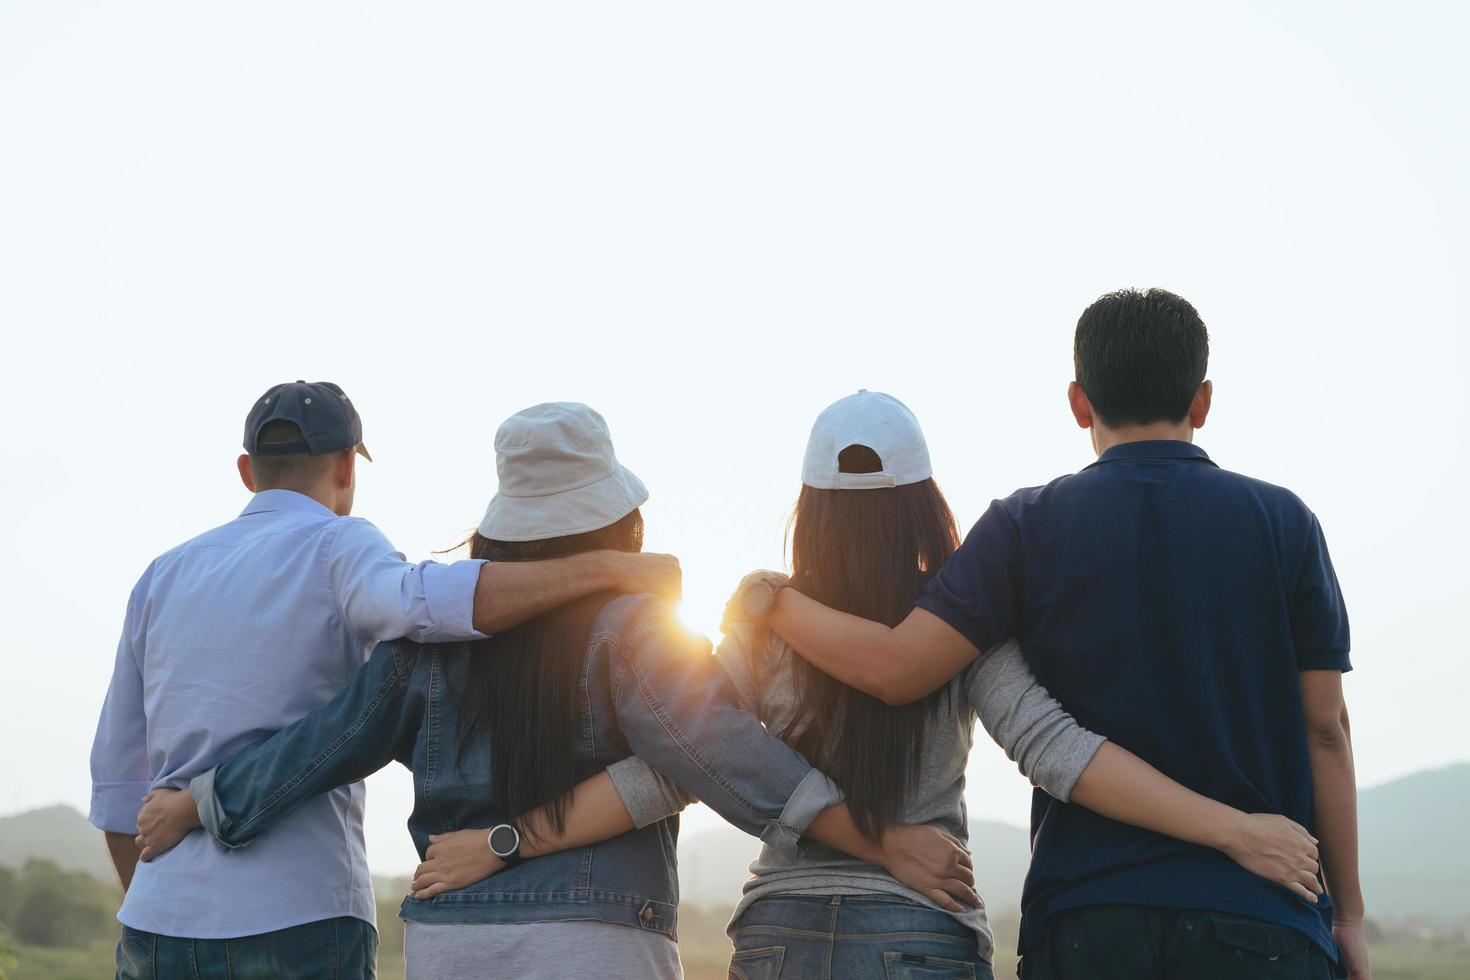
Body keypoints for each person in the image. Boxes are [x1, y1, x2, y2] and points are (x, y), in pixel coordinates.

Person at [365, 394, 1322, 979]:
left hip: (776, 935)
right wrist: (1235, 827)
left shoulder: (759, 625)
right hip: (921, 935)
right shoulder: (963, 632)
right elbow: (1058, 753)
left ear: (808, 509)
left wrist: (511, 841)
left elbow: (671, 770)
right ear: (925, 501)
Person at [132, 402, 984, 980]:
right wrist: (880, 840)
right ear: (621, 522)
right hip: (596, 936)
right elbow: (721, 751)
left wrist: (204, 799)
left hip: (449, 939)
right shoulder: (636, 630)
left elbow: (320, 745)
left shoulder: (426, 644)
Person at [725, 293, 1367, 980]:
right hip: (1262, 913)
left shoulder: (1024, 526)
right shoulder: (1285, 522)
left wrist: (769, 601)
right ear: (1202, 401)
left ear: (1079, 402)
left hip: (1088, 917)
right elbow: (1324, 730)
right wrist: (1347, 915)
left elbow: (891, 668)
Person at [90, 383, 681, 980]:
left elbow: (116, 782)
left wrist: (160, 895)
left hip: (157, 921)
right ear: (347, 466)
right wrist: (609, 569)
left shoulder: (160, 576)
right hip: (299, 912)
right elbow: (424, 603)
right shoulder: (339, 544)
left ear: (247, 471)